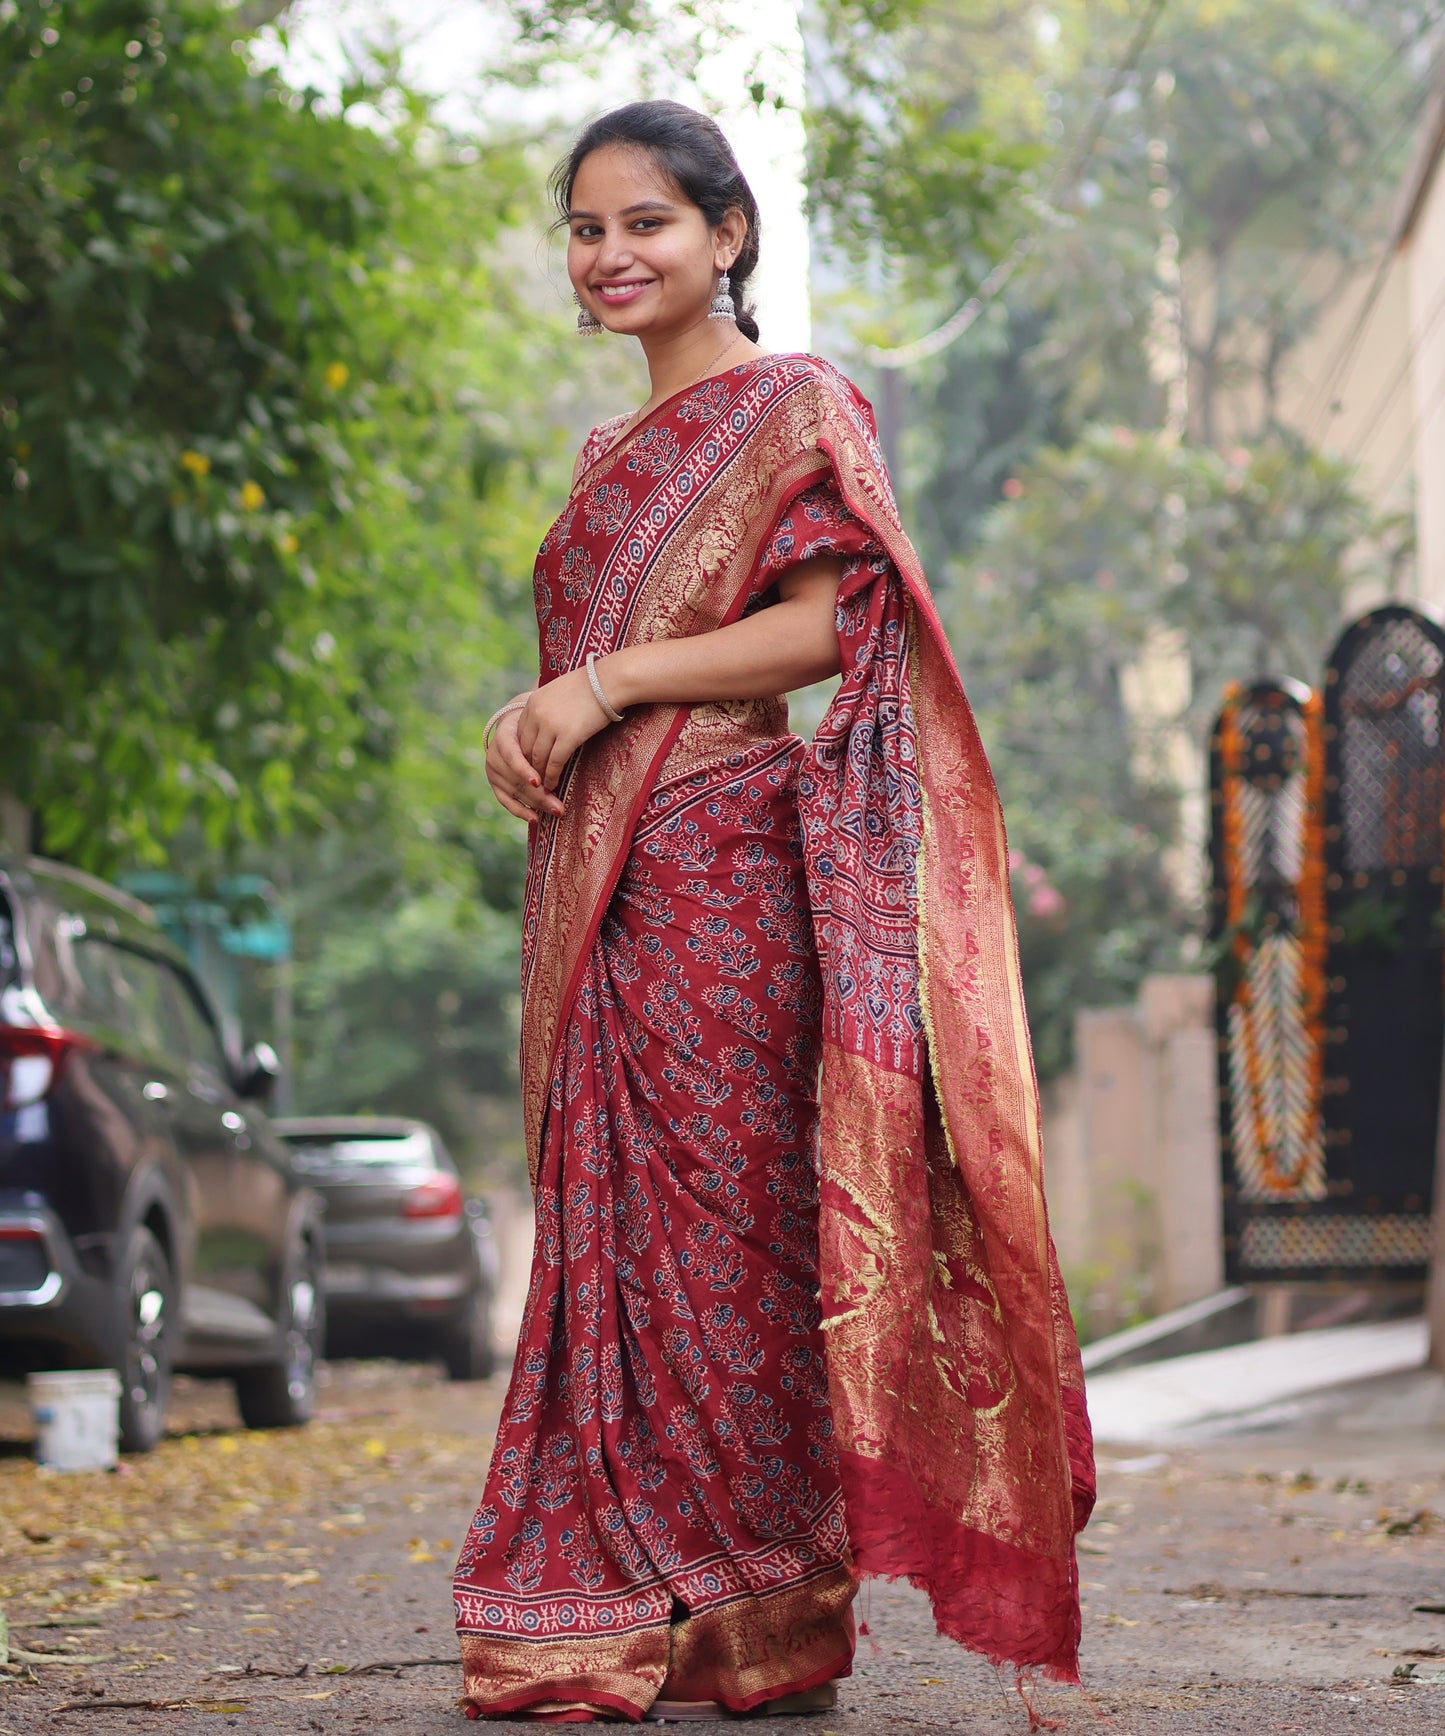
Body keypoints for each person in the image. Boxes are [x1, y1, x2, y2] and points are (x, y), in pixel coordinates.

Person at [455, 99, 1095, 1725]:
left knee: (732, 1237)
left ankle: (771, 1618)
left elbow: (818, 634)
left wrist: (599, 683)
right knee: (617, 1238)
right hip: (599, 883)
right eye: (587, 231)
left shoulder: (794, 403)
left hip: (727, 875)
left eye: (645, 224)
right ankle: (651, 1595)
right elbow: (593, 681)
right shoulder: (609, 457)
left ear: (725, 234)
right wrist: (530, 722)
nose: (610, 256)